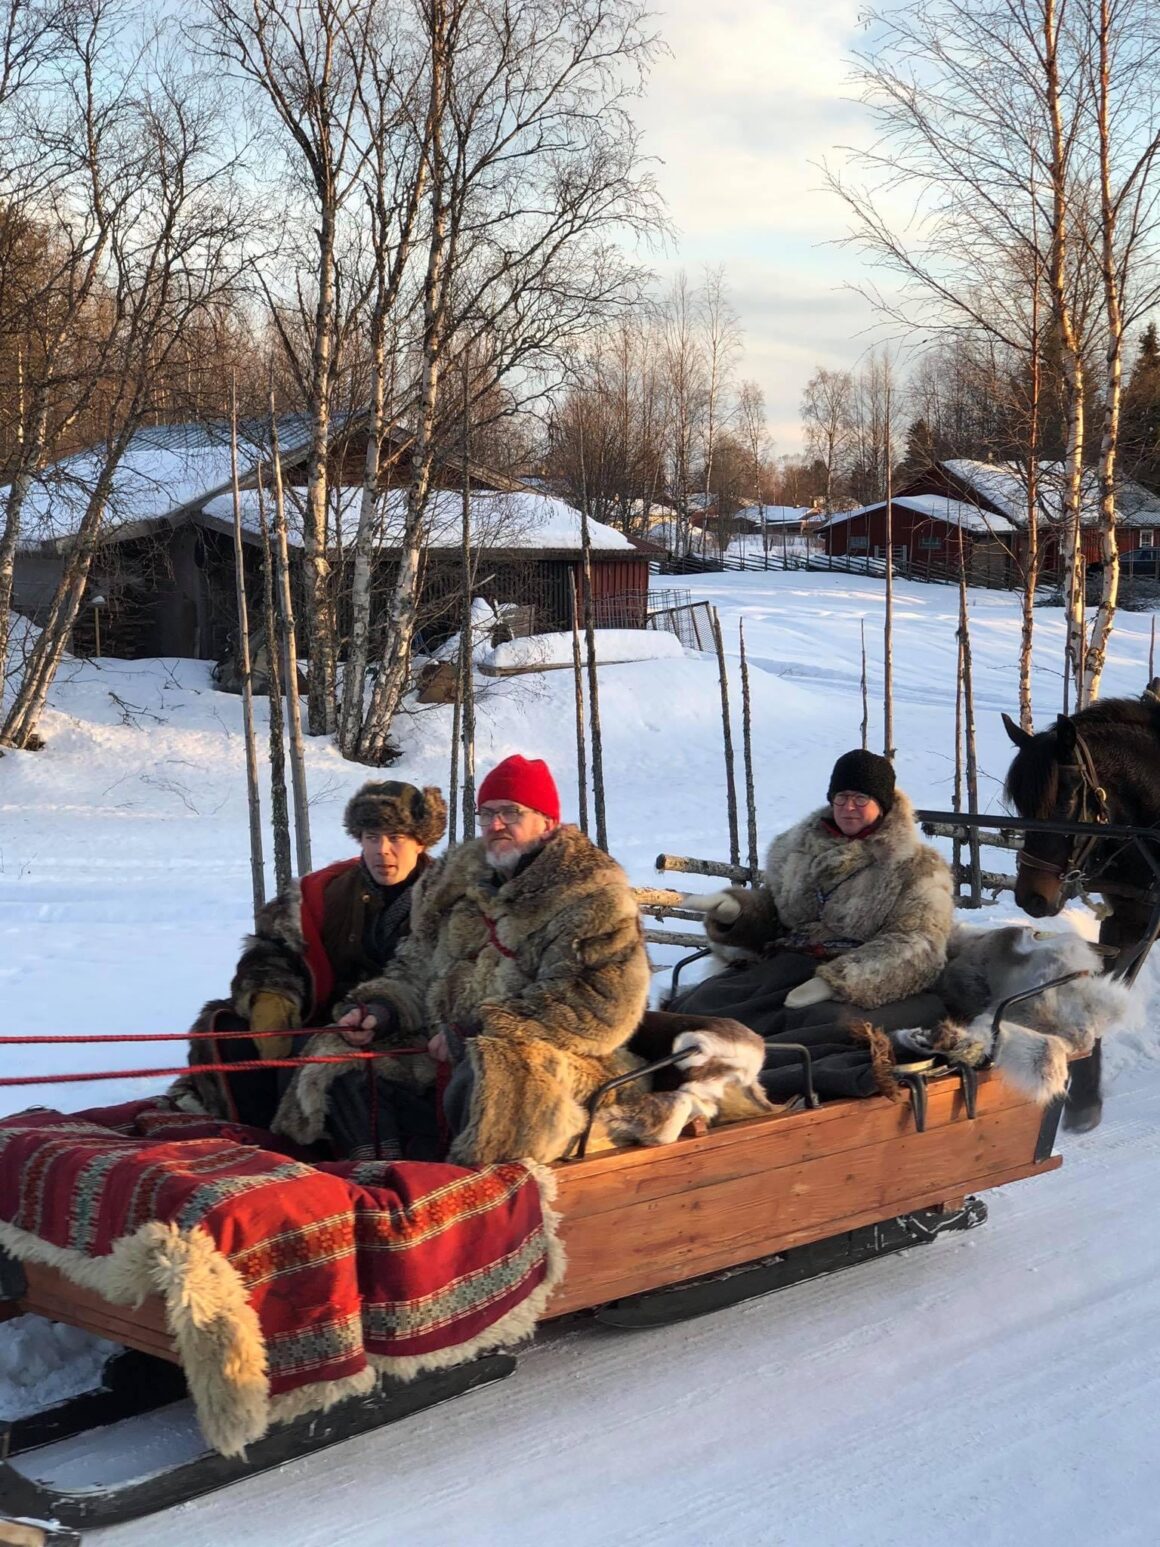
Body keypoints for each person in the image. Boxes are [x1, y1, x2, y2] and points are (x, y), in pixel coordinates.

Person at [273, 755, 768, 1163]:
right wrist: (381, 1009)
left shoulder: (590, 896)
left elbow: (601, 1007)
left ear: (547, 822)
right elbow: (415, 965)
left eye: (510, 812)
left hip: (568, 1059)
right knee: (337, 1058)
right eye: (486, 813)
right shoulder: (459, 882)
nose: (495, 825)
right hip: (445, 1046)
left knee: (490, 1078)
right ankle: (380, 1174)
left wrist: (478, 1030)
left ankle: (458, 1199)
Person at [672, 749, 954, 1101]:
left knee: (821, 1025)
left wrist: (838, 981)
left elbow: (920, 943)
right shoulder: (798, 849)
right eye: (842, 797)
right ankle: (682, 1066)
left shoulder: (916, 868)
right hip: (787, 967)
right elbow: (778, 913)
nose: (849, 808)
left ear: (882, 804)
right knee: (708, 1000)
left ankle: (749, 1084)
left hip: (870, 981)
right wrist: (738, 912)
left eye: (861, 799)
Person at [176, 780, 447, 1131]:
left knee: (322, 1052)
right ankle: (251, 1137)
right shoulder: (327, 890)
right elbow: (276, 947)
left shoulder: (445, 897)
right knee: (227, 1033)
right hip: (330, 1015)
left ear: (420, 841)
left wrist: (381, 1013)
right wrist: (271, 996)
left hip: (404, 1024)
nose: (382, 850)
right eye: (371, 837)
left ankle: (305, 1145)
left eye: (395, 838)